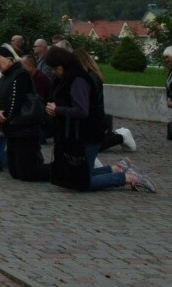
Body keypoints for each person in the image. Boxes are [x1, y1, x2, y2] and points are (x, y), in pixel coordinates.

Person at [46, 47, 153, 193]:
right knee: (75, 176)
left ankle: (128, 178)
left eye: (56, 68)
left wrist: (57, 110)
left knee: (82, 182)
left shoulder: (78, 79)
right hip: (76, 135)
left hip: (86, 135)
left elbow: (82, 111)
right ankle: (117, 169)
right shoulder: (68, 79)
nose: (54, 72)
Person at [0, 45, 48, 182]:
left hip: (25, 127)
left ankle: (63, 171)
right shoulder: (6, 76)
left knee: (27, 172)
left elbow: (15, 100)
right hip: (13, 128)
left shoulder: (20, 74)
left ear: (9, 59)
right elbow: (0, 99)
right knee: (15, 172)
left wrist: (3, 116)